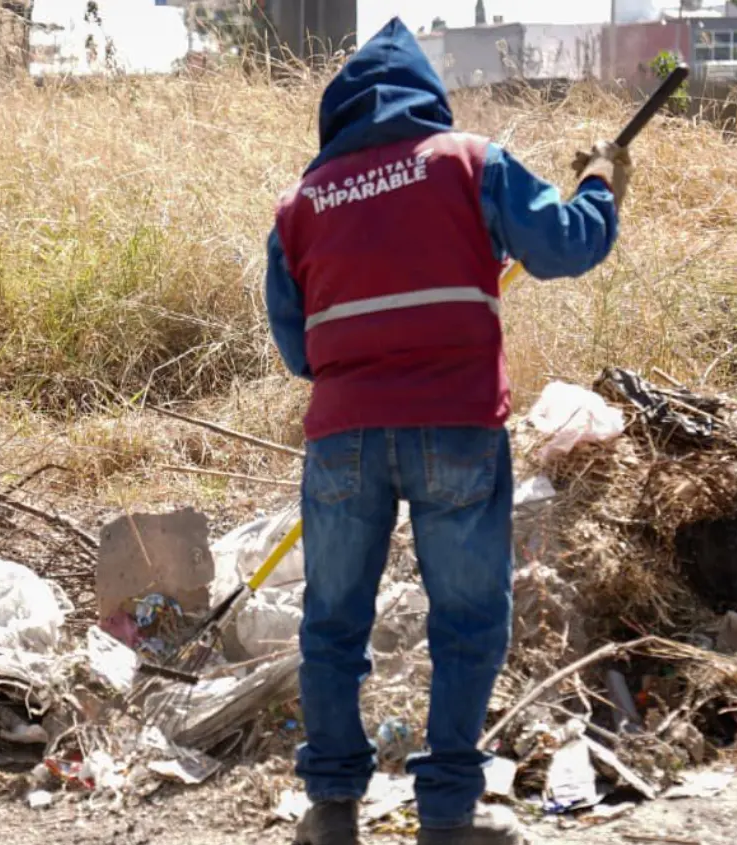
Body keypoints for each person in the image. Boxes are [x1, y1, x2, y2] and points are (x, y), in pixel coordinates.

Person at [265, 18, 629, 845]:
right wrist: (600, 183)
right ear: (425, 98)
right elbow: (564, 247)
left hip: (344, 438)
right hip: (455, 427)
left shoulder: (300, 204)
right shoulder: (469, 161)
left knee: (332, 622)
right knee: (466, 620)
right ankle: (447, 815)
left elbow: (297, 349)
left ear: (337, 112)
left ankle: (331, 810)